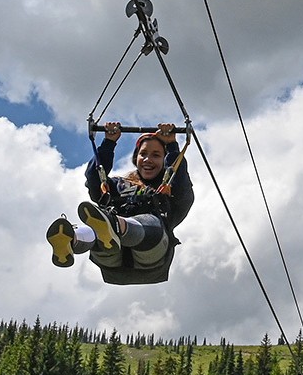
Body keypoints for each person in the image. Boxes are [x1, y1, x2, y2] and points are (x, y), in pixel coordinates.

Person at [46, 121, 194, 284]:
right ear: (136, 157)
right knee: (99, 225)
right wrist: (109, 142)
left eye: (156, 155)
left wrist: (172, 146)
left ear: (165, 160)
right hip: (111, 261)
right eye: (143, 154)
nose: (147, 159)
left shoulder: (170, 190)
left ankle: (103, 229)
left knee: (148, 222)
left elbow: (180, 180)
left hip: (151, 253)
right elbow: (94, 178)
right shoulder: (117, 186)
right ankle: (73, 239)